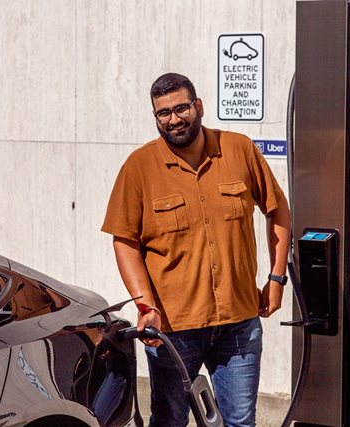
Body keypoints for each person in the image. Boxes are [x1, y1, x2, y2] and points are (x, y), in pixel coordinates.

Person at [101, 72, 291, 427]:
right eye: (163, 113)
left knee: (239, 422)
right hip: (173, 329)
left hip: (239, 322)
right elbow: (125, 241)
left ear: (198, 106)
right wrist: (146, 305)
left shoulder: (239, 149)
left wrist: (277, 278)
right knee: (170, 420)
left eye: (181, 108)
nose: (173, 119)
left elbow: (278, 209)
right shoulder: (139, 168)